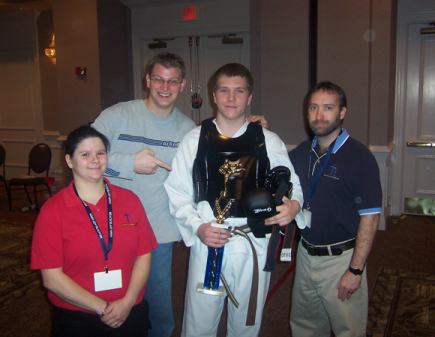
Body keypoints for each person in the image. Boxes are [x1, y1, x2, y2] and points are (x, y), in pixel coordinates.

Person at [91, 52, 268, 337]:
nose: (165, 86)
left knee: (159, 311)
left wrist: (251, 133)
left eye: (173, 81)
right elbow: (81, 154)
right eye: (159, 79)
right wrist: (128, 163)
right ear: (147, 80)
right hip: (109, 229)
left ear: (183, 84)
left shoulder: (189, 131)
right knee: (105, 302)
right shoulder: (118, 115)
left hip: (157, 235)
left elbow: (222, 162)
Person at [164, 63, 304, 337]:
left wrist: (294, 206)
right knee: (198, 325)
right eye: (224, 90)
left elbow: (293, 185)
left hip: (253, 242)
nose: (231, 98)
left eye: (239, 91)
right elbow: (177, 192)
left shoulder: (268, 140)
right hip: (210, 241)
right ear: (213, 96)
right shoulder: (194, 141)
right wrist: (197, 227)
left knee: (246, 325)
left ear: (249, 98)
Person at [30, 125, 158, 336]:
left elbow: (144, 254)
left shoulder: (130, 200)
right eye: (85, 154)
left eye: (100, 153)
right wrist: (103, 308)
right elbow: (51, 278)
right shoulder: (53, 210)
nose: (95, 160)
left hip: (130, 311)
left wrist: (127, 302)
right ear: (70, 161)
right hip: (78, 318)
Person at [288, 81, 382, 337]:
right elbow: (274, 169)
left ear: (342, 112)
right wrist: (260, 132)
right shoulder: (301, 153)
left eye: (328, 108)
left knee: (347, 331)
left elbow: (371, 219)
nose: (319, 115)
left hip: (341, 261)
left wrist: (355, 270)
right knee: (305, 329)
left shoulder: (359, 158)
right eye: (313, 108)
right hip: (305, 257)